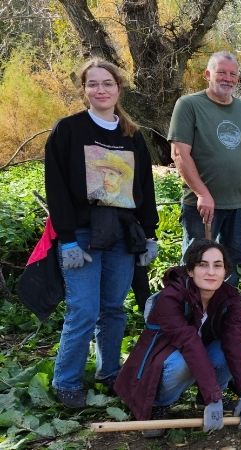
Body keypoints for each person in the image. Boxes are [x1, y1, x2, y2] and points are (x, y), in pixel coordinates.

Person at [44, 58, 159, 408]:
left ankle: (110, 373)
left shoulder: (132, 134)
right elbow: (57, 187)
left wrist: (149, 233)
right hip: (82, 235)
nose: (101, 90)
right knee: (83, 309)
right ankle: (66, 380)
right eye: (93, 84)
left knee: (113, 309)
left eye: (107, 83)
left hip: (124, 236)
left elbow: (144, 186)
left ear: (118, 88)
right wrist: (66, 239)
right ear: (84, 91)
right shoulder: (68, 131)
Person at [115, 240, 241, 436]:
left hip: (198, 354)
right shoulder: (171, 297)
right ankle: (158, 404)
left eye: (218, 265)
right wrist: (213, 397)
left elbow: (238, 342)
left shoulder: (229, 298)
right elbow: (189, 344)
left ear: (225, 271)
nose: (211, 272)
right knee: (183, 362)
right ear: (190, 270)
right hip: (158, 363)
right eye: (202, 264)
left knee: (228, 346)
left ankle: (204, 398)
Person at [168, 51, 241, 286]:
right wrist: (203, 193)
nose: (228, 78)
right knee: (198, 264)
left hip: (240, 205)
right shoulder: (189, 105)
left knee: (231, 264)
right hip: (203, 208)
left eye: (233, 74)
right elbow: (179, 153)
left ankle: (224, 315)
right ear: (208, 74)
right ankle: (193, 317)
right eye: (221, 72)